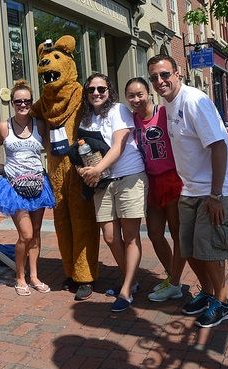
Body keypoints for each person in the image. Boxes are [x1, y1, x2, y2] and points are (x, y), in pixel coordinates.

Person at [147, 55, 228, 328]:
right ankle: (208, 292)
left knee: (210, 249)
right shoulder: (167, 105)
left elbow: (219, 146)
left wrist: (215, 196)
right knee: (187, 246)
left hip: (216, 188)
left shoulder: (194, 101)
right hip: (190, 186)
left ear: (178, 74)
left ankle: (222, 303)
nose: (159, 81)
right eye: (154, 77)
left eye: (164, 74)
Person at [78, 73, 147, 313]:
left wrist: (95, 169)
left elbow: (118, 146)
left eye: (101, 89)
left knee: (130, 235)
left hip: (128, 176)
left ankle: (126, 289)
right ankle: (131, 279)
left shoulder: (119, 110)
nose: (96, 93)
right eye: (91, 90)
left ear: (109, 91)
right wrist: (83, 170)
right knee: (109, 236)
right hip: (102, 182)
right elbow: (83, 151)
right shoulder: (86, 119)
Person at [124, 77, 186, 302]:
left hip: (172, 179)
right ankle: (173, 277)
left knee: (178, 234)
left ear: (149, 93)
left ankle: (176, 281)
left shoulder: (164, 113)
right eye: (131, 95)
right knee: (155, 233)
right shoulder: (132, 120)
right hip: (151, 181)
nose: (136, 99)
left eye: (140, 94)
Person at [0, 80, 55, 296]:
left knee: (36, 234)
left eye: (27, 101)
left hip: (38, 184)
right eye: (18, 101)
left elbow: (51, 149)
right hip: (14, 188)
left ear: (31, 102)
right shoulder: (3, 126)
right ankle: (19, 276)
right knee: (25, 235)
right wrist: (0, 169)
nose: (23, 105)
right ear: (12, 103)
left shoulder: (40, 125)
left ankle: (34, 276)